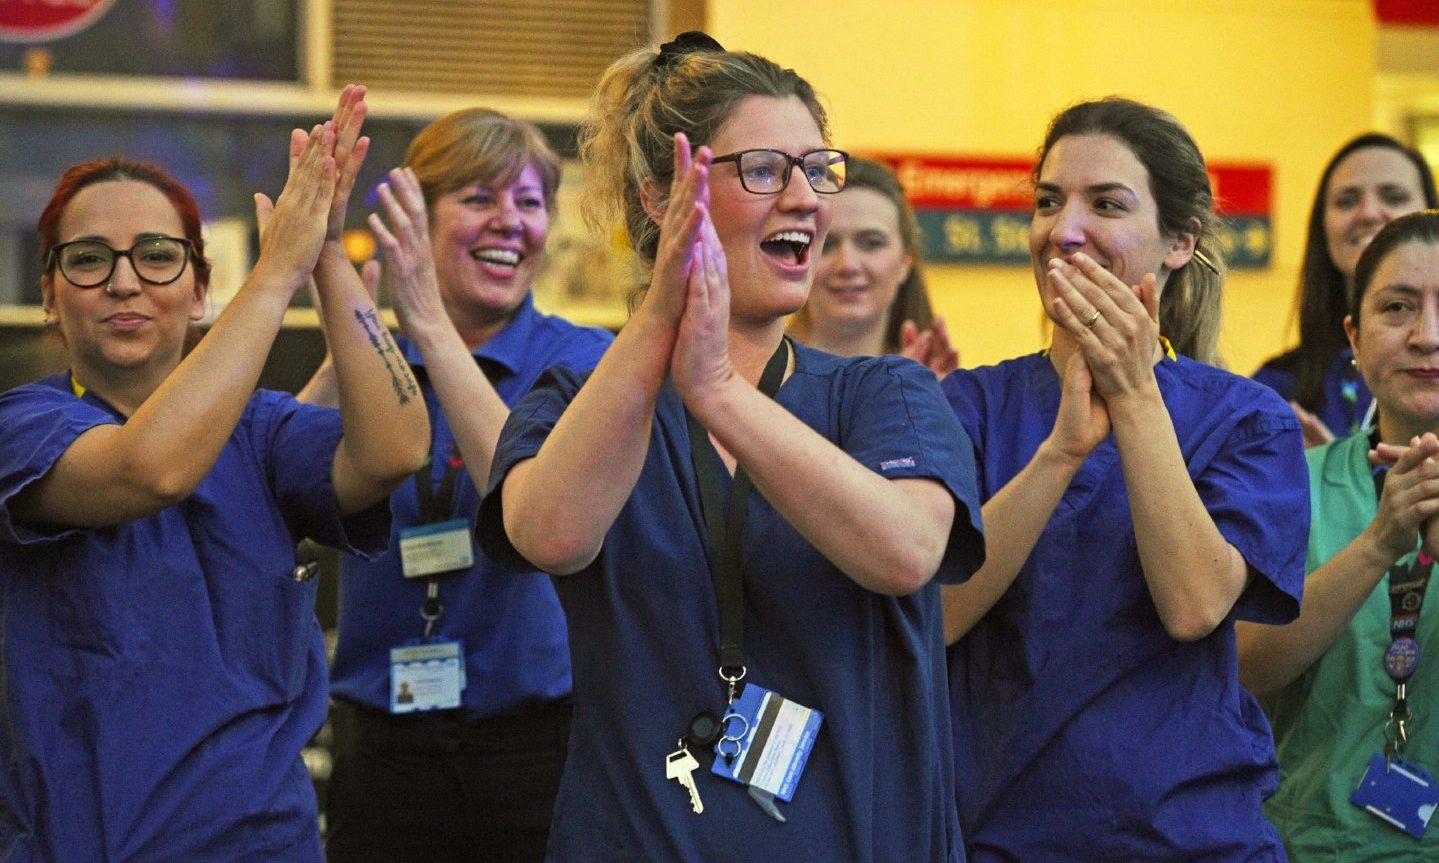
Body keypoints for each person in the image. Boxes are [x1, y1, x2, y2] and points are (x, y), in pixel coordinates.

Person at [474, 32, 984, 861]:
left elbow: (905, 550)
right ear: (661, 199)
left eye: (818, 169)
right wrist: (664, 336)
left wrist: (716, 388)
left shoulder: (883, 392)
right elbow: (550, 534)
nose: (806, 199)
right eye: (763, 170)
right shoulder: (575, 399)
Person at [0, 86, 429, 861]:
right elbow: (150, 468)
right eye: (89, 259)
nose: (124, 282)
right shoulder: (21, 429)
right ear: (51, 299)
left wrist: (326, 253)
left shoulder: (262, 431)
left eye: (157, 256)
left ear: (200, 290)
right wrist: (275, 272)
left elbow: (395, 449)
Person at [940, 97, 1309, 860]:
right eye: (1047, 202)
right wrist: (1060, 454)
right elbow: (933, 614)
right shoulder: (966, 406)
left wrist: (1135, 396)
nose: (1062, 229)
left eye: (1105, 204)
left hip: (1189, 837)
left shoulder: (1248, 419)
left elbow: (1194, 604)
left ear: (1178, 241)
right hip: (996, 837)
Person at [301, 107, 612, 862]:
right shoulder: (376, 356)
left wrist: (429, 326)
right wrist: (351, 326)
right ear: (415, 217)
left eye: (530, 202)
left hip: (540, 745)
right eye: (478, 198)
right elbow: (280, 506)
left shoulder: (585, 360)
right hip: (383, 748)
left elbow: (530, 512)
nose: (509, 222)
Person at [1238, 210, 1439, 860]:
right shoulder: (1292, 482)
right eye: (1396, 307)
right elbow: (1244, 666)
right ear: (1352, 335)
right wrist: (1378, 542)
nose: (1425, 335)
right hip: (1307, 845)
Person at [1254, 134, 1437, 446]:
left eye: (1393, 197)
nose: (1368, 213)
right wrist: (1324, 477)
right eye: (1347, 200)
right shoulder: (1273, 391)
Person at [788, 156, 958, 374]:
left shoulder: (932, 385)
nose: (847, 264)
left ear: (905, 263)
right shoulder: (748, 379)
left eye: (871, 243)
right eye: (826, 244)